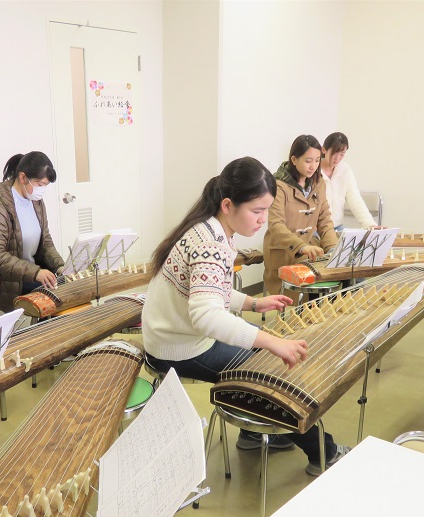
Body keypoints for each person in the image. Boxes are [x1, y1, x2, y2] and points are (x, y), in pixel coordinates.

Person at [142, 157, 350, 476]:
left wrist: (253, 305)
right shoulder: (209, 243)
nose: (263, 220)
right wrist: (272, 343)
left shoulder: (212, 228)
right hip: (179, 348)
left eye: (266, 210)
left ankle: (254, 433)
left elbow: (211, 290)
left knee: (262, 359)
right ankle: (326, 453)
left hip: (175, 336)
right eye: (257, 211)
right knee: (274, 375)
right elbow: (207, 316)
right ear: (228, 204)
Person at [0, 152, 65, 309]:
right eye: (39, 185)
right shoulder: (0, 205)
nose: (42, 190)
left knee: (67, 287)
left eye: (45, 186)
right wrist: (36, 272)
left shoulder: (36, 201)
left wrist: (60, 266)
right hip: (8, 280)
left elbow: (45, 241)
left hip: (31, 272)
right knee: (55, 299)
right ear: (23, 177)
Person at [263, 134, 339, 297]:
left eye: (317, 160)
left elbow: (325, 219)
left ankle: (326, 317)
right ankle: (311, 316)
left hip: (310, 248)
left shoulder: (319, 183)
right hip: (283, 250)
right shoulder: (278, 185)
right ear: (294, 159)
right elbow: (276, 225)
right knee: (314, 284)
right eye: (308, 160)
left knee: (341, 274)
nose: (313, 166)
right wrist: (301, 247)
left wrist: (332, 248)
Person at [321, 132, 378, 231]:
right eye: (334, 153)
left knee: (353, 244)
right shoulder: (313, 170)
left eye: (342, 154)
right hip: (317, 229)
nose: (337, 158)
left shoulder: (345, 170)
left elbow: (354, 198)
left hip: (337, 227)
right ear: (324, 150)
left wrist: (369, 224)